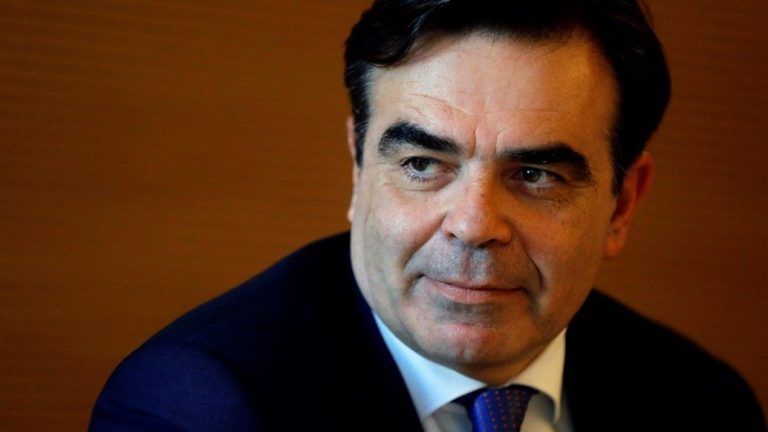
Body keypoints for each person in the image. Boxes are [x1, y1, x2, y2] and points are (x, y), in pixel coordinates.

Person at [90, 0, 765, 431]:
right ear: (359, 168)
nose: (473, 225)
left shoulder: (701, 405)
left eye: (535, 175)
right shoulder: (197, 407)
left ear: (623, 203)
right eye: (422, 164)